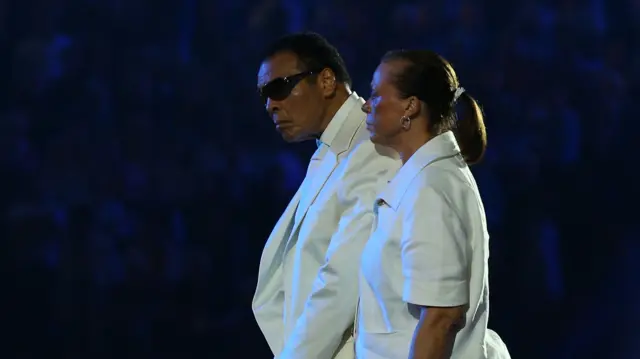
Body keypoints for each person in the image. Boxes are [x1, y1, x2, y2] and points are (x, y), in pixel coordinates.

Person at [252, 32, 401, 359]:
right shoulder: (331, 151)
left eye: (279, 88)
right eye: (264, 94)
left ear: (326, 80)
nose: (270, 105)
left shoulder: (373, 146)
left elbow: (342, 282)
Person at [357, 49, 510, 359]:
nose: (366, 105)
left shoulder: (431, 187)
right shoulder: (426, 178)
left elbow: (441, 317)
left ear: (410, 106)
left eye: (376, 93)